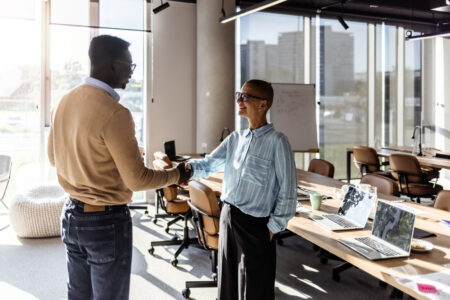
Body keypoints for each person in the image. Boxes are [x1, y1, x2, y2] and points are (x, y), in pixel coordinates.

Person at [47, 35, 190, 300]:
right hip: (104, 223)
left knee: (79, 295)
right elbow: (137, 180)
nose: (131, 73)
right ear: (113, 65)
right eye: (130, 66)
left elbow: (54, 159)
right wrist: (176, 175)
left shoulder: (63, 102)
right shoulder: (115, 113)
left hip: (71, 216)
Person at [186, 79, 297, 300]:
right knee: (228, 284)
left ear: (263, 104)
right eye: (239, 94)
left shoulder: (278, 142)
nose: (239, 100)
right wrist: (185, 170)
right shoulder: (235, 138)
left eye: (246, 96)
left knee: (254, 289)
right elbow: (209, 164)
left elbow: (288, 191)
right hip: (228, 216)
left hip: (256, 226)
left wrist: (273, 227)